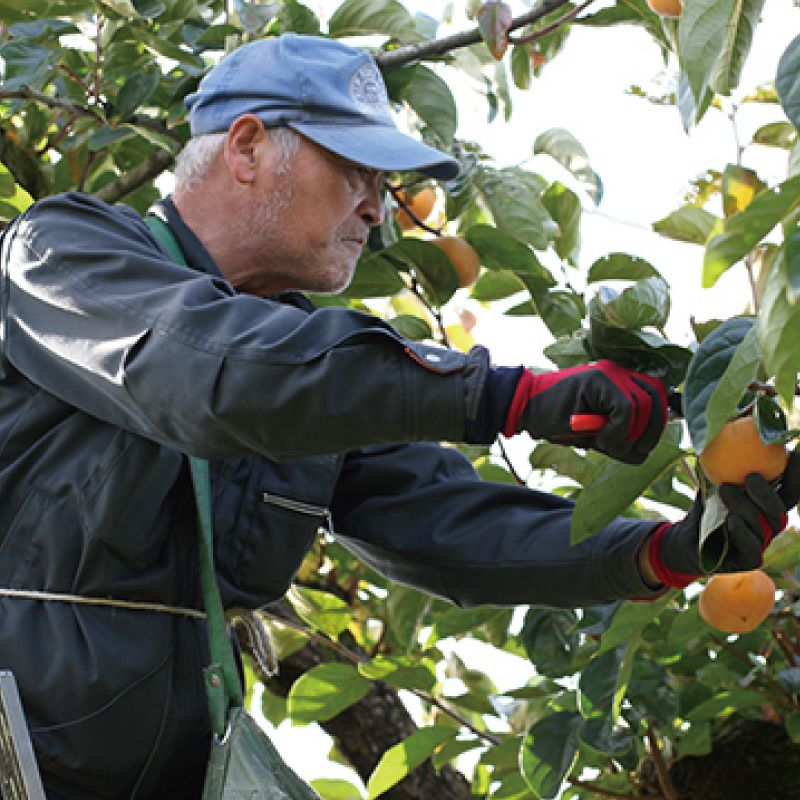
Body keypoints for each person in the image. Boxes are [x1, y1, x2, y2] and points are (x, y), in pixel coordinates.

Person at [0, 32, 797, 800]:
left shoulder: (314, 374)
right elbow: (206, 368)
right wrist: (503, 393)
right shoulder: (61, 254)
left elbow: (448, 524)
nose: (379, 210)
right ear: (245, 147)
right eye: (358, 172)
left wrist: (664, 551)